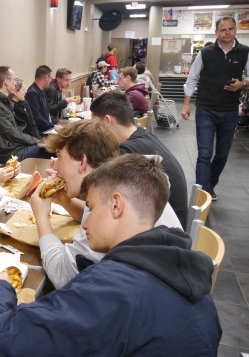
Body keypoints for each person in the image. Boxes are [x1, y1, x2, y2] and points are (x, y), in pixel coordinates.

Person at [0, 154, 221, 357]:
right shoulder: (194, 285)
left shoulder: (108, 292)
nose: (85, 223)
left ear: (116, 205)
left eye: (91, 207)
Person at [30, 119, 182, 289]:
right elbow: (91, 215)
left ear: (82, 162)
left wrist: (41, 216)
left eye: (59, 156)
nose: (54, 165)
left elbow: (63, 276)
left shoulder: (110, 198)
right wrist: (66, 202)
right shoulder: (127, 180)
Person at [91, 91, 188, 228]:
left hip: (162, 231)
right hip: (173, 225)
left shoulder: (127, 152)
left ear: (107, 121)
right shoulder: (143, 135)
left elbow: (104, 203)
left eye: (96, 125)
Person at [182, 16, 249, 201]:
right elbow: (192, 78)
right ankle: (203, 194)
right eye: (223, 29)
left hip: (230, 110)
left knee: (222, 154)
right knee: (204, 153)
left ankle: (210, 184)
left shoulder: (245, 52)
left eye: (231, 29)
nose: (227, 32)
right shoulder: (206, 52)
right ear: (216, 32)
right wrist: (186, 104)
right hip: (206, 109)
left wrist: (242, 84)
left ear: (236, 30)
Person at [0, 66, 51, 163]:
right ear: (7, 81)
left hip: (14, 147)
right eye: (13, 80)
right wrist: (35, 140)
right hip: (8, 152)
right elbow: (11, 133)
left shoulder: (3, 102)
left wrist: (36, 140)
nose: (15, 83)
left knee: (50, 147)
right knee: (48, 150)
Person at [25, 65, 54, 133]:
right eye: (50, 77)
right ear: (46, 77)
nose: (51, 80)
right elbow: (37, 118)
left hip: (47, 128)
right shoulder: (32, 93)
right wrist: (52, 126)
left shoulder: (40, 91)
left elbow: (46, 113)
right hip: (41, 132)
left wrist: (56, 123)